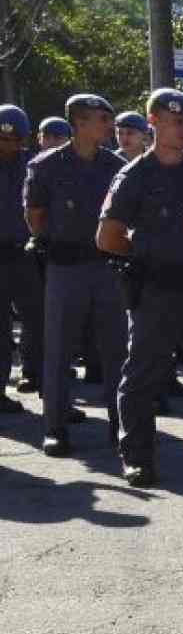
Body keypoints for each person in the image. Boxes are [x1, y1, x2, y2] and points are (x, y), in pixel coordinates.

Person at [95, 90, 183, 486]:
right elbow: (107, 237)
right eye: (176, 123)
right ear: (153, 122)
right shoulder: (135, 174)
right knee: (143, 373)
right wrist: (148, 253)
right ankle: (137, 454)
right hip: (155, 287)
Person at [24, 95, 127, 456]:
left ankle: (122, 426)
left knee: (116, 349)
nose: (109, 125)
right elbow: (35, 216)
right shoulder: (46, 166)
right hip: (65, 267)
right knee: (59, 350)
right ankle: (55, 427)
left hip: (107, 266)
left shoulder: (115, 165)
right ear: (80, 122)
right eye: (103, 118)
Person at [0, 106, 45, 408]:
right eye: (4, 139)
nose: (9, 145)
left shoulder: (32, 164)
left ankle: (41, 379)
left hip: (24, 254)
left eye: (15, 139)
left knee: (39, 319)